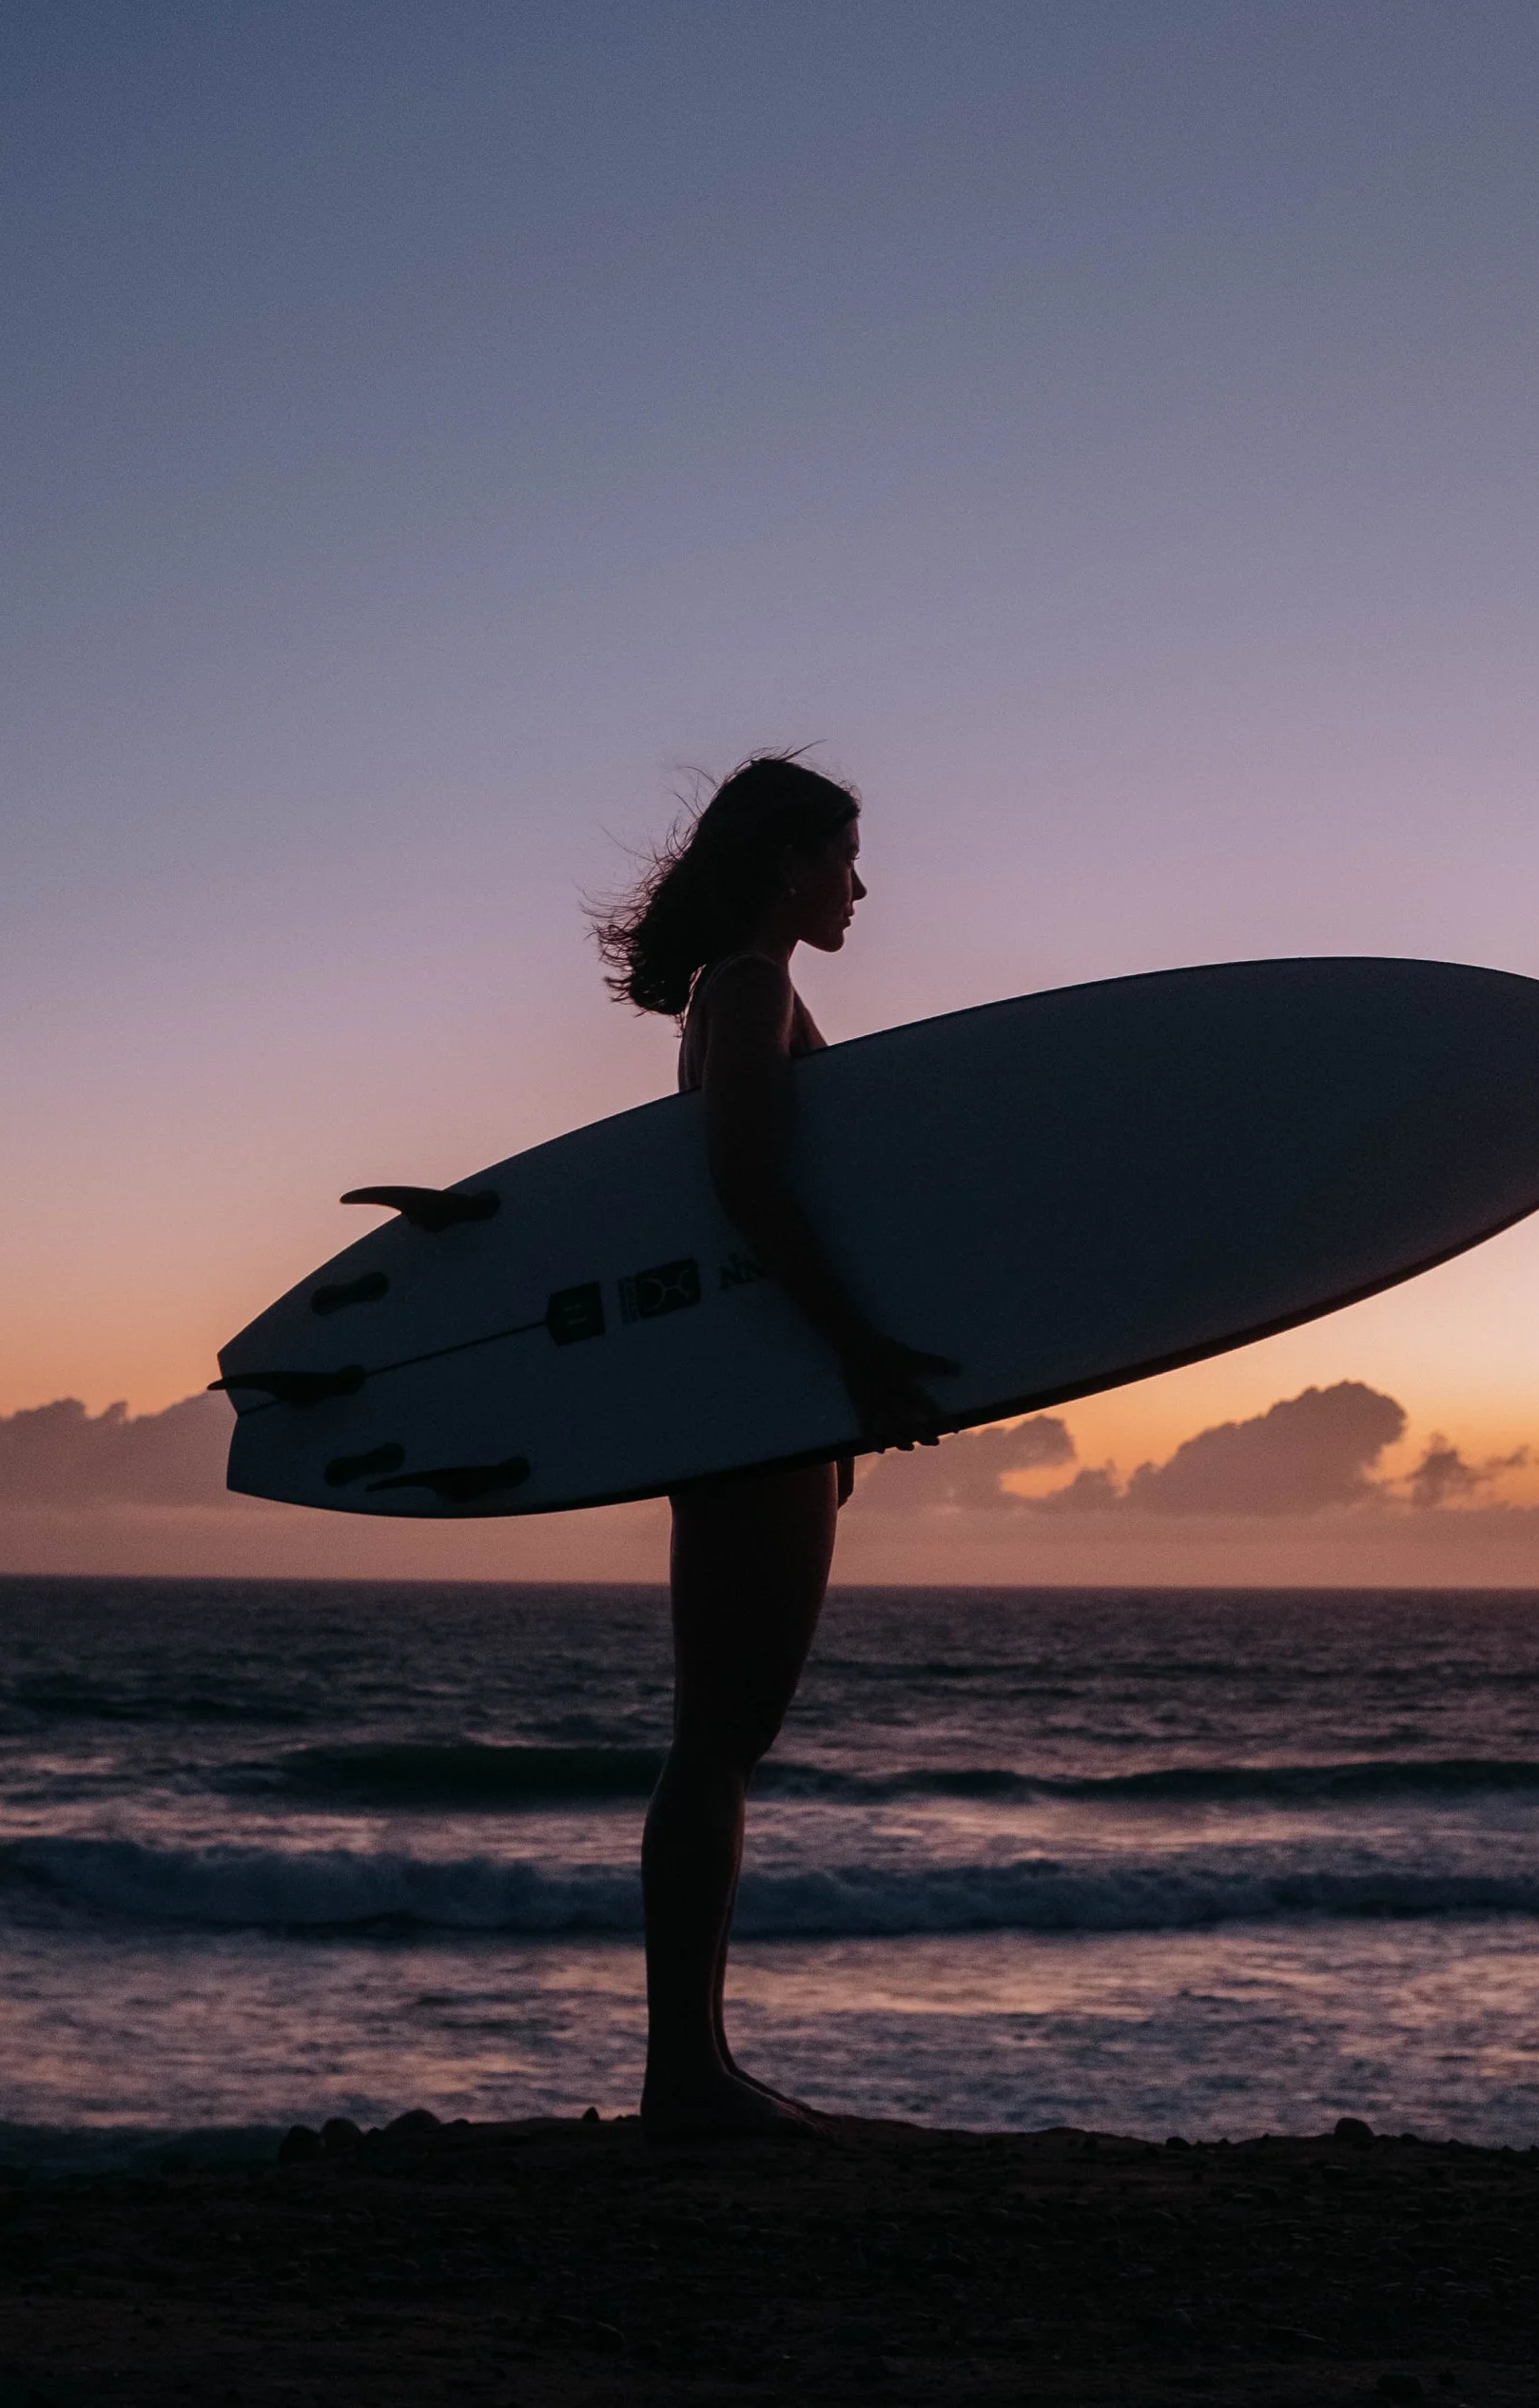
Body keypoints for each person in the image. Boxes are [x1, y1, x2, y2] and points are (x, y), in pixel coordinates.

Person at [594, 753, 952, 2138]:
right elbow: (744, 1181)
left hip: (772, 1407)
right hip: (760, 1412)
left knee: (722, 1740)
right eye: (844, 859)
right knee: (718, 1744)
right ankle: (686, 2076)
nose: (859, 886)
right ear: (785, 866)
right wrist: (853, 1350)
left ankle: (697, 2065)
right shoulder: (747, 989)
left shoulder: (745, 989)